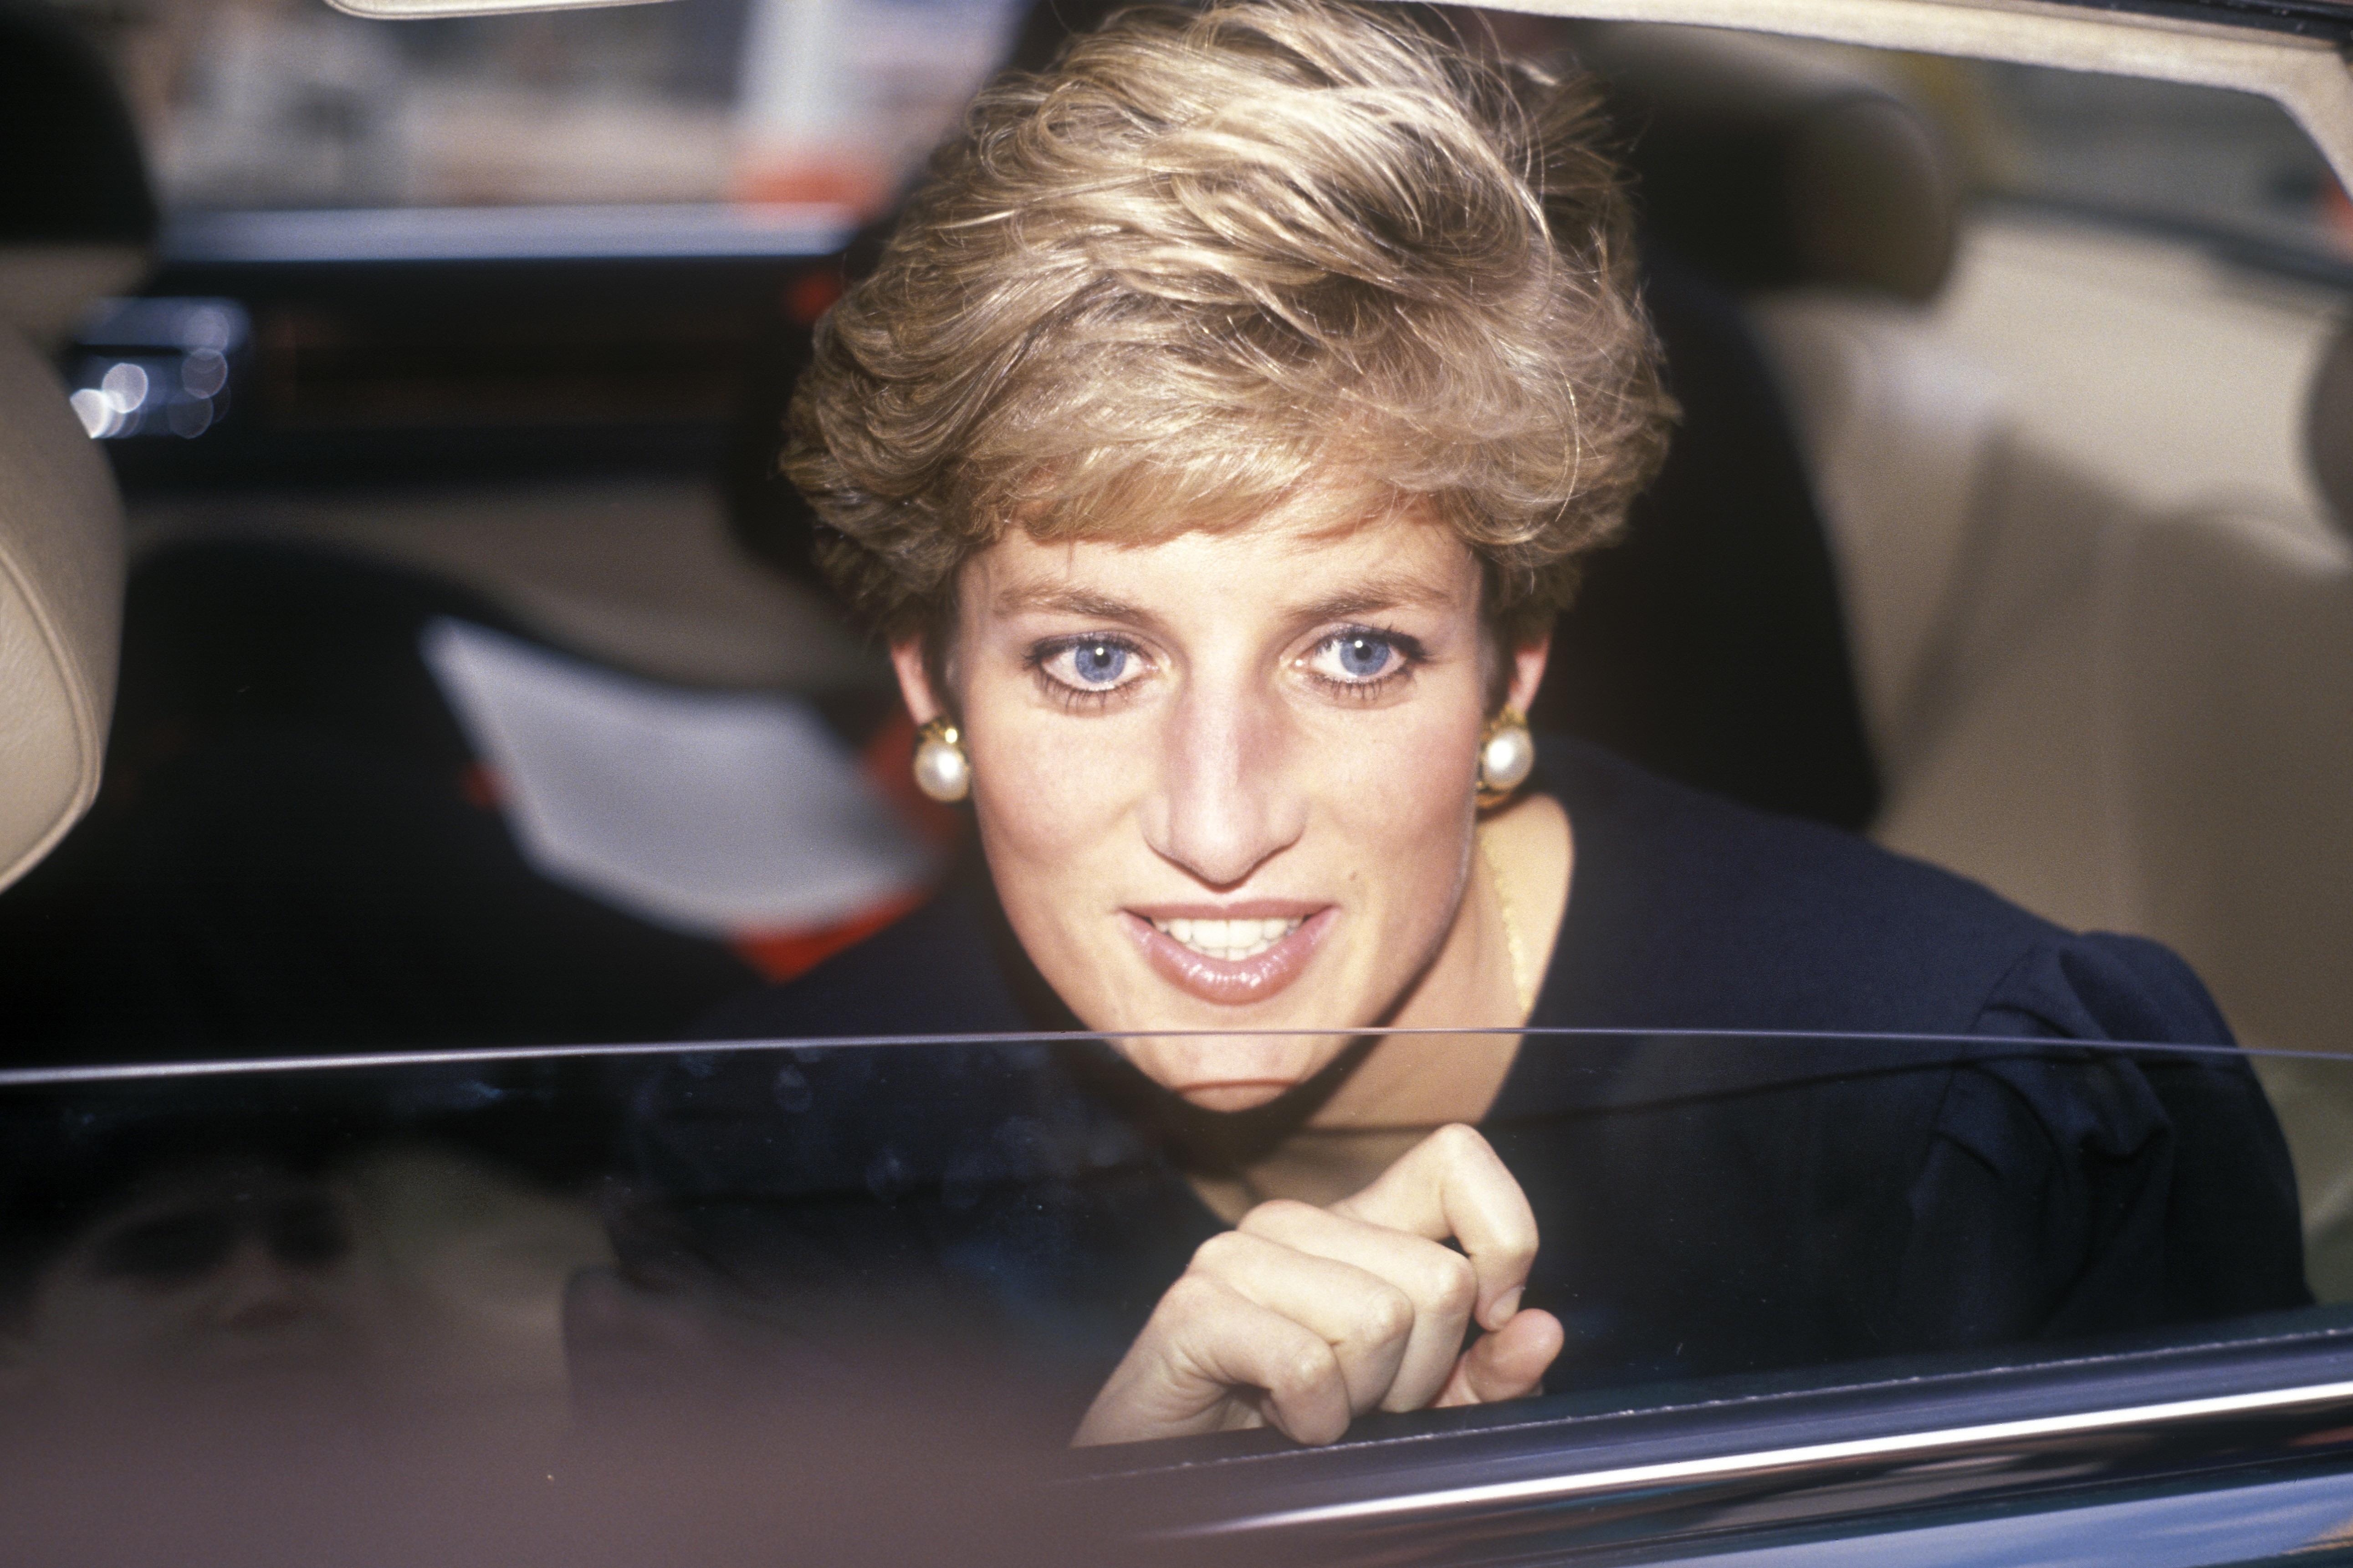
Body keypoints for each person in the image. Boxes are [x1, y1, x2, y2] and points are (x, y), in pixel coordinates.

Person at [612, 0, 2307, 1449]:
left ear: (1510, 671)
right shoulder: (783, 1176)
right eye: (1094, 660)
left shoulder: (1970, 1125)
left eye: (1355, 651)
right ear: (933, 686)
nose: (1220, 823)